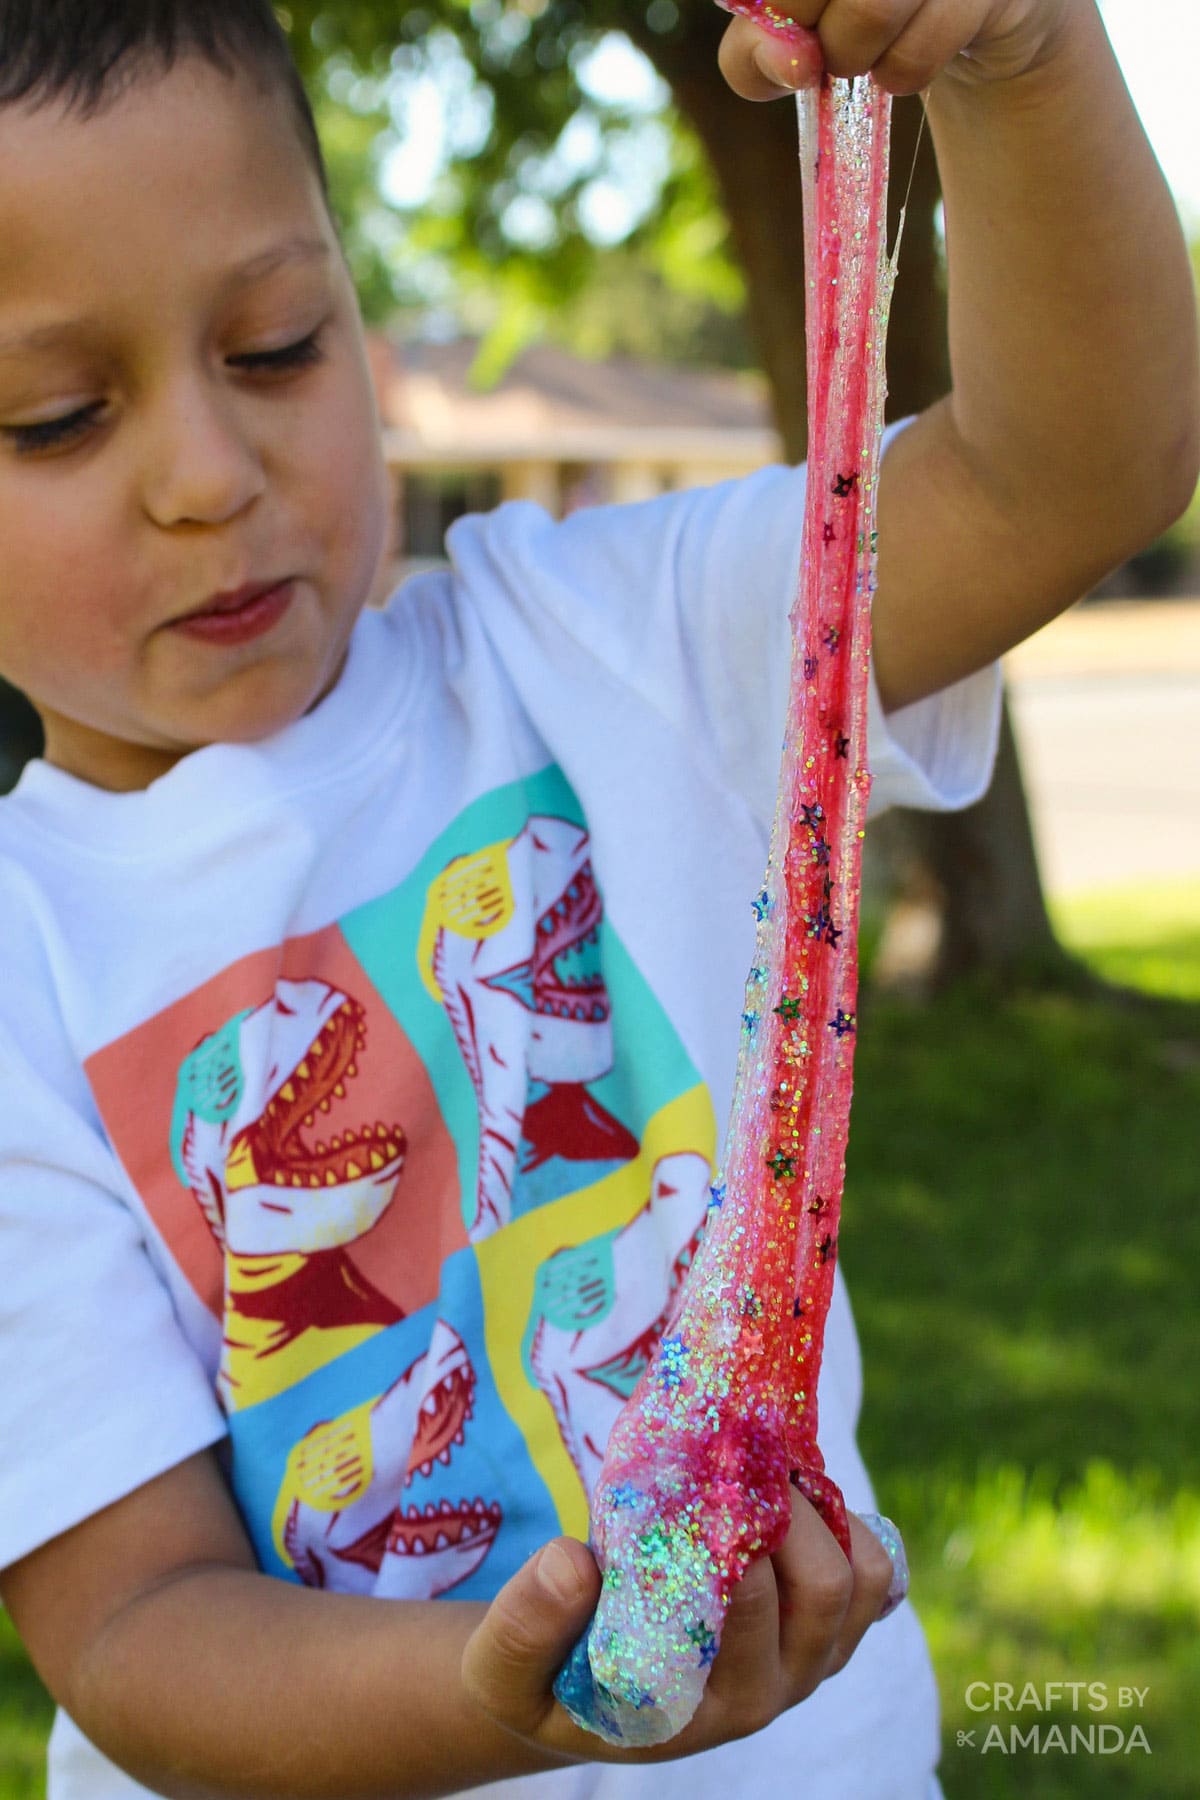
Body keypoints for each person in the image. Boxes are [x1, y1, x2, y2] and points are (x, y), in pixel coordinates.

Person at [0, 2, 1194, 1798]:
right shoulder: (25, 977)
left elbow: (1068, 471)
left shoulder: (604, 645)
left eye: (276, 348)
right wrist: (496, 1697)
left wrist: (1020, 59)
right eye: (59, 418)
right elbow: (130, 1626)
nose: (206, 479)